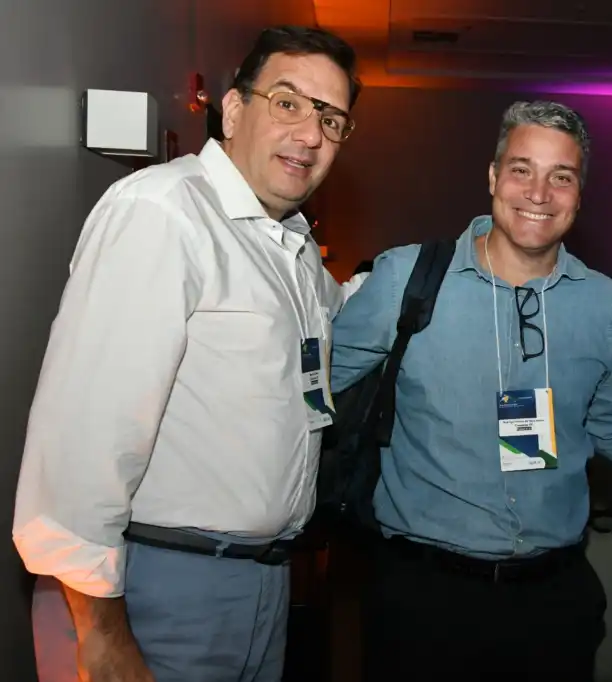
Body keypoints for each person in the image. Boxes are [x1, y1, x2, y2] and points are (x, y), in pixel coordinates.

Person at [14, 26, 363, 682]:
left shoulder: (289, 248)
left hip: (260, 585)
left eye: (331, 119)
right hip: (155, 586)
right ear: (232, 110)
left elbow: (343, 321)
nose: (310, 134)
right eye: (288, 103)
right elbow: (85, 437)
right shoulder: (165, 213)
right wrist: (101, 631)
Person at [330, 100, 612, 682]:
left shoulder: (603, 302)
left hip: (553, 602)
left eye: (561, 176)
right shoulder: (407, 277)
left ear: (580, 194)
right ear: (494, 176)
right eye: (522, 169)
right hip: (424, 600)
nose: (539, 193)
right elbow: (315, 389)